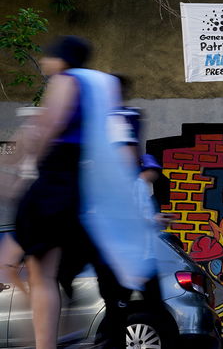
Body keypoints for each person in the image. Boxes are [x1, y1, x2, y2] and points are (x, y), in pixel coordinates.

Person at [14, 36, 153, 349]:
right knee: (44, 273)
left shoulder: (69, 82)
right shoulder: (105, 102)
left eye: (48, 55)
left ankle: (50, 338)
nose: (44, 61)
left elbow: (50, 124)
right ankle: (59, 333)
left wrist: (23, 164)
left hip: (58, 188)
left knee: (40, 273)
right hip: (79, 193)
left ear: (61, 58)